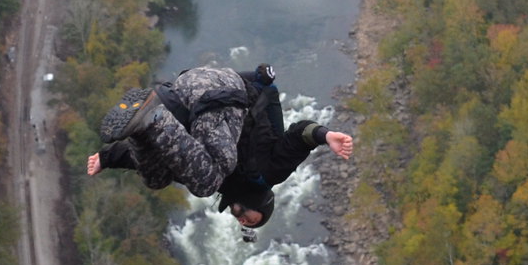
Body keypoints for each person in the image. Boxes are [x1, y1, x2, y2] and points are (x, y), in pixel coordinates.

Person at [86, 65, 354, 229]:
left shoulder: (206, 169)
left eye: (244, 224)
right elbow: (299, 136)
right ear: (262, 204)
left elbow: (171, 155)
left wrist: (107, 158)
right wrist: (325, 135)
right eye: (253, 220)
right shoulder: (269, 173)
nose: (244, 222)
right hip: (220, 90)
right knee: (207, 182)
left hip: (179, 96)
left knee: (157, 177)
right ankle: (152, 118)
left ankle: (141, 126)